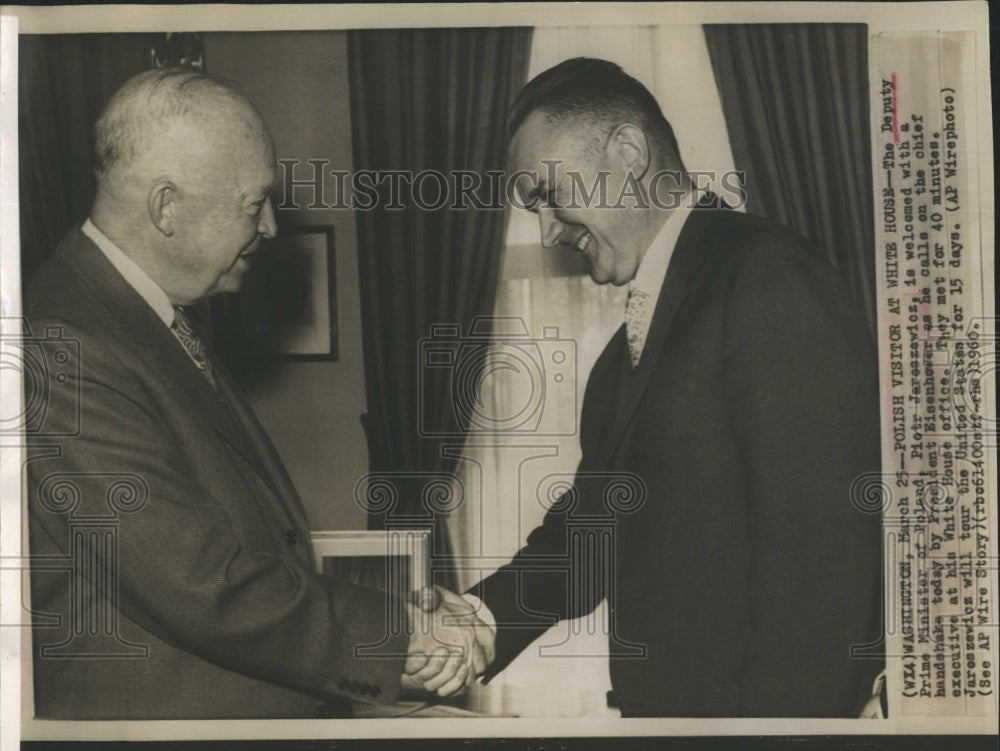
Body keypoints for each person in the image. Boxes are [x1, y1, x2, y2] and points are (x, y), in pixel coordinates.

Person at [23, 66, 488, 720]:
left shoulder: (145, 318)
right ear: (165, 207)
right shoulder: (60, 343)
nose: (270, 226)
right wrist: (395, 634)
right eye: (253, 203)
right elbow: (200, 582)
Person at [458, 58, 883, 717]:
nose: (547, 231)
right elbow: (590, 535)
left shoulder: (768, 280)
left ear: (627, 151)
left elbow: (823, 580)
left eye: (546, 195)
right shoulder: (616, 364)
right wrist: (476, 621)